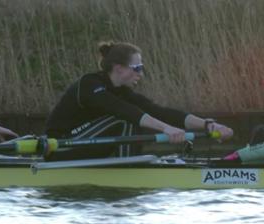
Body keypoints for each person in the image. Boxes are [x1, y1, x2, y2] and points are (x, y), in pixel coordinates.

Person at [45, 41, 233, 160]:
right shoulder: (89, 84)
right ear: (118, 68)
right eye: (136, 68)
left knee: (139, 116)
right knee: (125, 120)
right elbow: (122, 110)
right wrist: (166, 129)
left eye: (141, 68)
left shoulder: (123, 92)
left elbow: (159, 112)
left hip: (85, 146)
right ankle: (127, 171)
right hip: (60, 146)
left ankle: (126, 166)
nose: (140, 73)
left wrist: (208, 124)